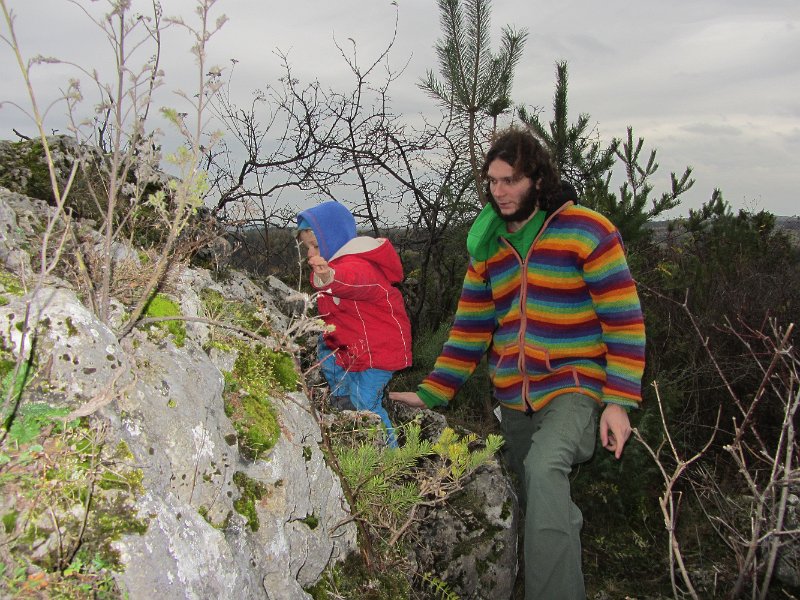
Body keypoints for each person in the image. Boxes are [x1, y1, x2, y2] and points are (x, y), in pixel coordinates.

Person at [389, 127, 646, 599]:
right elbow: (470, 329)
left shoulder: (586, 231)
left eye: (511, 180)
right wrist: (432, 392)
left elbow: (624, 320)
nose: (500, 191)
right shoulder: (488, 247)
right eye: (492, 181)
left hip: (573, 385)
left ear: (538, 180)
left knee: (545, 469)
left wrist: (618, 401)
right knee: (539, 498)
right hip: (514, 397)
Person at [296, 201, 412, 447]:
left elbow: (354, 281)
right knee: (326, 350)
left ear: (334, 239)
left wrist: (330, 276)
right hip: (352, 343)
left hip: (379, 351)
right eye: (307, 247)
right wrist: (326, 275)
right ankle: (342, 401)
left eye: (316, 246)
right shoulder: (336, 264)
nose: (310, 253)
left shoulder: (359, 265)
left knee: (366, 402)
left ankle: (391, 456)